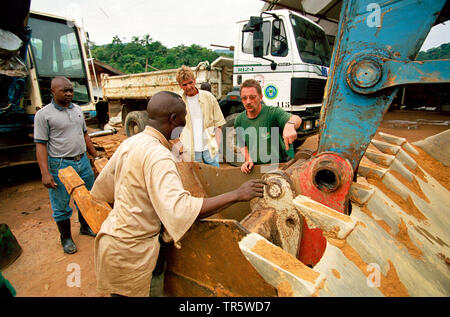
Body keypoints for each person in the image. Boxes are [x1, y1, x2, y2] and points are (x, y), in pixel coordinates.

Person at [91, 91, 266, 297]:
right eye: (184, 118)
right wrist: (237, 194)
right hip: (136, 255)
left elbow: (104, 190)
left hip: (113, 244)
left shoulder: (130, 143)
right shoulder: (159, 156)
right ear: (174, 120)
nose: (185, 123)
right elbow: (181, 212)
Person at [34, 76, 98, 254]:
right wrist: (45, 173)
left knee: (86, 198)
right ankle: (66, 238)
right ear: (53, 92)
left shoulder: (77, 109)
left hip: (82, 161)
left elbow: (85, 135)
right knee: (61, 204)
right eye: (65, 90)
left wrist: (95, 155)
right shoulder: (43, 115)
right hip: (60, 164)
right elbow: (40, 145)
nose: (69, 93)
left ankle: (85, 227)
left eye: (71, 89)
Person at [235, 79, 302, 174]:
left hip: (278, 167)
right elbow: (242, 144)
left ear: (261, 97)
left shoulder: (273, 113)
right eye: (244, 98)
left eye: (252, 97)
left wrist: (290, 125)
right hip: (256, 169)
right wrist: (248, 159)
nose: (248, 102)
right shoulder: (239, 119)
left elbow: (297, 119)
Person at [176, 66, 225, 167]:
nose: (189, 87)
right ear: (180, 85)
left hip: (209, 148)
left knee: (215, 178)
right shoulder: (178, 101)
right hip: (190, 149)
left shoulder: (209, 97)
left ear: (194, 80)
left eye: (190, 82)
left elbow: (219, 123)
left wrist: (217, 145)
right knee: (195, 180)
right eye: (185, 85)